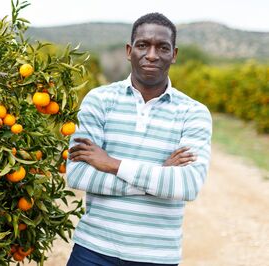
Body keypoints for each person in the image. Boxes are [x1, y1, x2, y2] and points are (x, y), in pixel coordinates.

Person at [65, 13, 212, 266]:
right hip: (92, 250)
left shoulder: (193, 112)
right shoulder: (99, 101)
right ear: (129, 50)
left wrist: (112, 164)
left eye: (162, 47)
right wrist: (159, 176)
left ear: (174, 54)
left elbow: (187, 186)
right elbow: (78, 174)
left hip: (156, 257)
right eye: (143, 45)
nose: (152, 55)